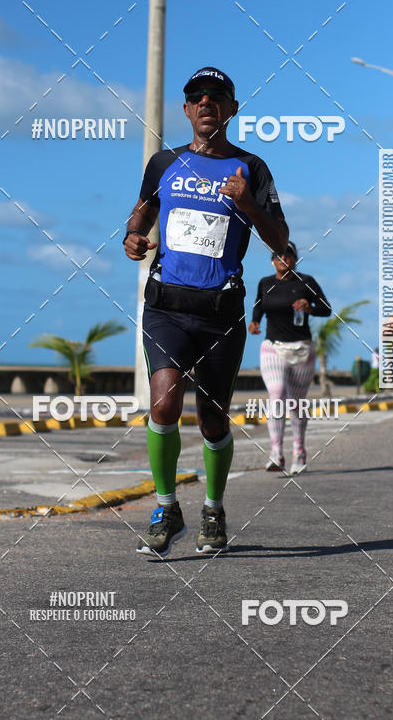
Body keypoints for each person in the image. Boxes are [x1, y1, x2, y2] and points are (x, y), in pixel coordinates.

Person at [124, 67, 289, 556]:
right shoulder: (164, 162)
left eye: (216, 97)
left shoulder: (251, 169)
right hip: (167, 306)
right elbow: (141, 211)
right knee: (163, 403)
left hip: (220, 312)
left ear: (232, 109)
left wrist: (250, 207)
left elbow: (282, 243)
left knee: (213, 420)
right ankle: (166, 507)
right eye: (196, 96)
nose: (206, 103)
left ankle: (213, 511)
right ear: (186, 109)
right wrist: (132, 236)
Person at [248, 245, 331, 473]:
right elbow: (259, 306)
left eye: (288, 254)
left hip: (302, 349)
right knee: (276, 395)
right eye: (278, 255)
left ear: (295, 258)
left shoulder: (306, 282)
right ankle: (276, 453)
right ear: (272, 260)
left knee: (296, 404)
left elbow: (326, 309)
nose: (283, 258)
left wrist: (310, 307)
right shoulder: (266, 283)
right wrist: (254, 322)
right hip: (272, 347)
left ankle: (299, 451)